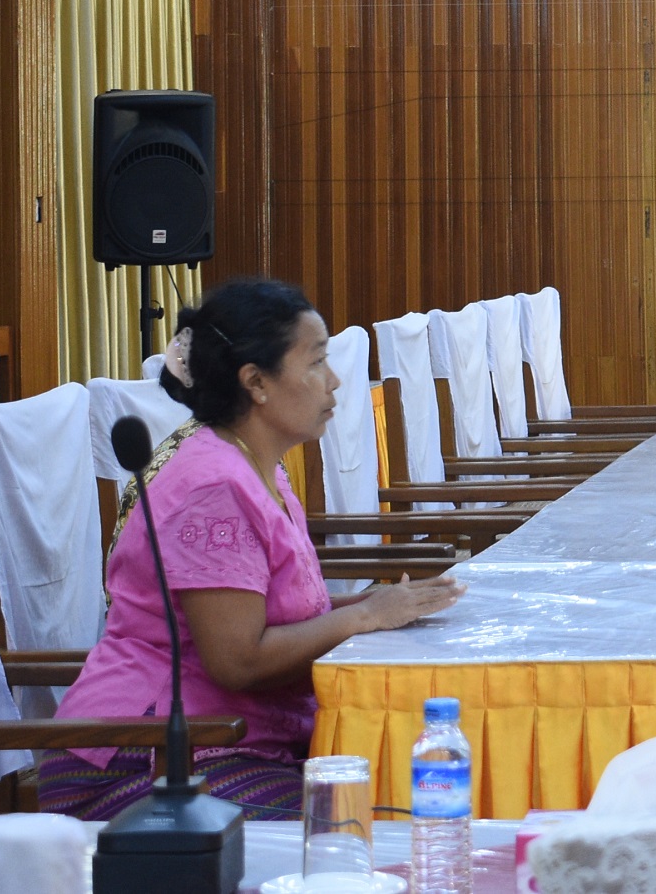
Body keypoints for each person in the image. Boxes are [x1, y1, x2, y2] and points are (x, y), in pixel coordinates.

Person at [41, 277, 464, 820]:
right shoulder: (214, 489)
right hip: (151, 756)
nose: (334, 380)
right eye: (316, 362)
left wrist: (379, 607)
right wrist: (363, 617)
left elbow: (270, 614)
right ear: (256, 382)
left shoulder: (255, 466)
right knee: (362, 825)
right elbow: (238, 661)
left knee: (413, 789)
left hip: (223, 742)